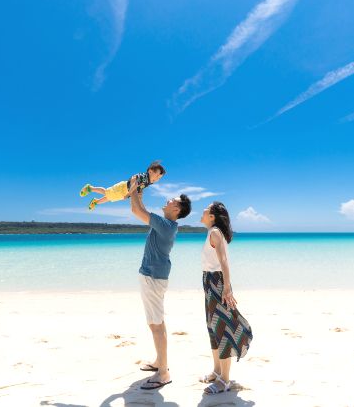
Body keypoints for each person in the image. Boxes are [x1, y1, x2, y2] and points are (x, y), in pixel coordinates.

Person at [127, 176, 191, 390]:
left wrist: (134, 188)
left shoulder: (166, 225)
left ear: (177, 209)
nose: (167, 199)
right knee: (157, 322)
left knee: (155, 325)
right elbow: (140, 209)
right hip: (153, 275)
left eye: (172, 200)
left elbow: (137, 212)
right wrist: (136, 193)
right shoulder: (166, 224)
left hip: (153, 277)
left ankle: (163, 373)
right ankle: (159, 362)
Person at [199, 201, 253, 394]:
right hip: (209, 281)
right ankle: (217, 370)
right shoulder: (213, 232)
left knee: (221, 328)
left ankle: (225, 380)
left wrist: (227, 288)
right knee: (212, 327)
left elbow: (223, 261)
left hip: (216, 282)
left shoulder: (214, 232)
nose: (202, 211)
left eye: (206, 209)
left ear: (212, 216)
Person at [79, 160, 165, 210]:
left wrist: (139, 193)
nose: (157, 179)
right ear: (150, 171)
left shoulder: (148, 181)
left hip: (125, 192)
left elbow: (140, 187)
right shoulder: (144, 176)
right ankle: (90, 188)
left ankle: (96, 201)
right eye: (157, 175)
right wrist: (128, 194)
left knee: (110, 197)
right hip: (123, 188)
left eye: (159, 178)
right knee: (107, 192)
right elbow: (135, 183)